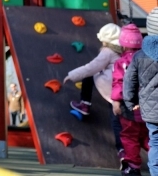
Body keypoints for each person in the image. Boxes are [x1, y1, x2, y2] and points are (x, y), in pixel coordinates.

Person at [64, 22, 124, 157]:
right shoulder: (126, 50)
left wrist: (72, 75)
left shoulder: (108, 52)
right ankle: (126, 149)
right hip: (127, 88)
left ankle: (85, 104)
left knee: (115, 120)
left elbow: (91, 67)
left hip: (112, 87)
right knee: (123, 121)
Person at [125, 9, 158, 176]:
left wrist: (130, 102)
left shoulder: (139, 56)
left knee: (156, 142)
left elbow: (130, 81)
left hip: (152, 110)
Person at [113, 24, 149, 175]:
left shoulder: (121, 63)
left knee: (129, 136)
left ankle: (133, 166)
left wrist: (115, 100)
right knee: (149, 136)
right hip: (148, 107)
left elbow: (119, 82)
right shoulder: (149, 60)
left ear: (122, 44)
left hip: (129, 108)